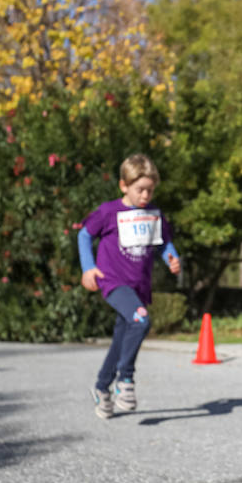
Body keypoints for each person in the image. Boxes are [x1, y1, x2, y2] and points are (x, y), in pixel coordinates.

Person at [78, 154, 181, 420]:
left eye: (150, 189)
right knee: (141, 321)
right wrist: (88, 267)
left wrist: (172, 257)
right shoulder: (109, 212)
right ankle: (126, 379)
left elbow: (163, 243)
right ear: (124, 186)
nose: (146, 195)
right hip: (113, 281)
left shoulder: (154, 215)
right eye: (140, 189)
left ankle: (102, 387)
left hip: (139, 285)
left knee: (122, 338)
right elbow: (84, 234)